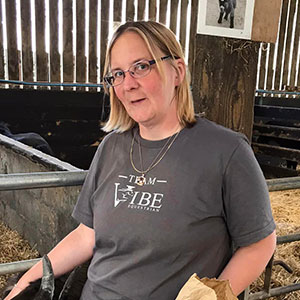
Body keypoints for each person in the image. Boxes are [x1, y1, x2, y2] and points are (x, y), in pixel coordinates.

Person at [5, 20, 276, 300]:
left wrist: (211, 296)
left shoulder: (226, 151)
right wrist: (24, 284)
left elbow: (260, 243)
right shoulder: (111, 147)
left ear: (177, 71)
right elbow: (87, 235)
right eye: (118, 74)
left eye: (141, 67)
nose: (128, 84)